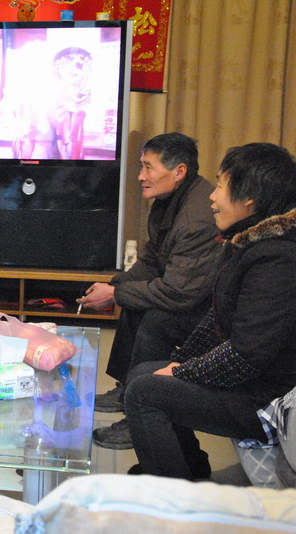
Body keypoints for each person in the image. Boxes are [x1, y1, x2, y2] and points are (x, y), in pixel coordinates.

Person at [125, 142, 296, 479]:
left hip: (275, 399)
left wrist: (183, 372)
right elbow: (218, 318)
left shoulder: (283, 259)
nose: (212, 197)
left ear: (249, 198)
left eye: (220, 185)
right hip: (259, 379)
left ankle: (172, 500)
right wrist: (181, 361)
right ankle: (190, 470)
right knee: (143, 374)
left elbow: (246, 356)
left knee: (145, 393)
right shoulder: (257, 242)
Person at [78, 133, 220, 450]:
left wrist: (114, 295)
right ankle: (127, 388)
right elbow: (153, 259)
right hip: (189, 291)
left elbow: (178, 292)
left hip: (210, 311)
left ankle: (140, 412)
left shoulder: (195, 218)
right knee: (133, 294)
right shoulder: (169, 200)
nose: (140, 176)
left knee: (156, 317)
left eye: (148, 167)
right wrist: (116, 286)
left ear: (179, 171)